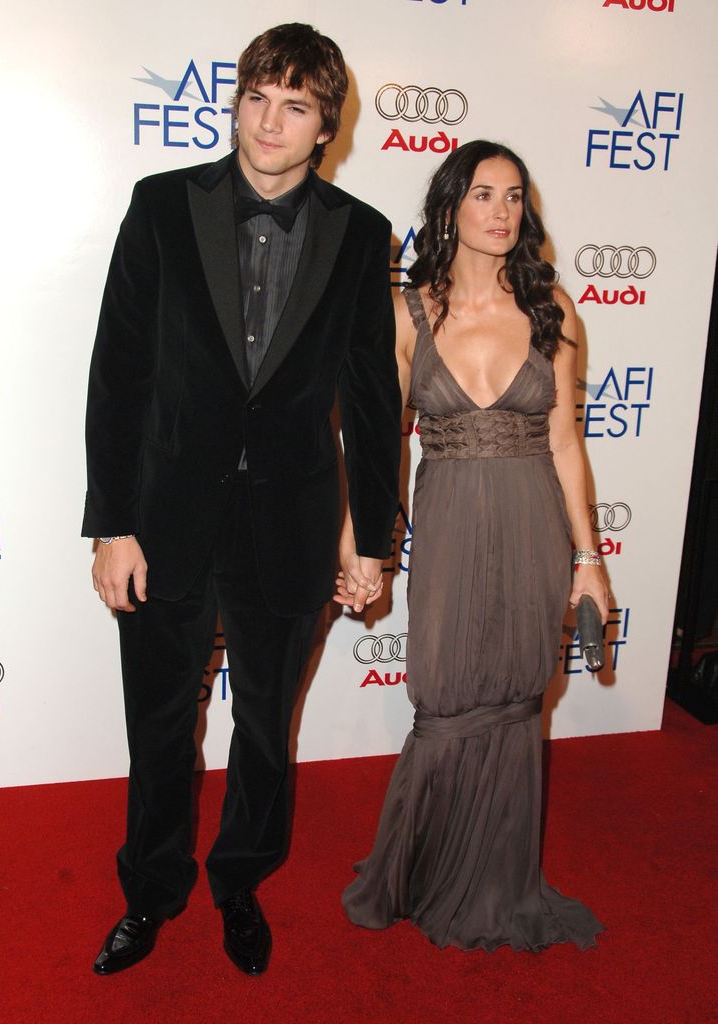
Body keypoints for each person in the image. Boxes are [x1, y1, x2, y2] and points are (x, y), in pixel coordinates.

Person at [83, 23, 401, 976]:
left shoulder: (357, 233)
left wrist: (373, 537)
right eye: (256, 96)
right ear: (236, 102)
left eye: (294, 105)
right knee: (159, 724)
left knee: (266, 725)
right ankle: (149, 892)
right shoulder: (162, 206)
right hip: (166, 515)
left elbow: (375, 403)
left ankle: (238, 882)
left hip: (291, 523)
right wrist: (111, 521)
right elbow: (118, 372)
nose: (269, 121)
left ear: (324, 127)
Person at [339, 140, 607, 952]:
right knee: (447, 694)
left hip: (532, 519)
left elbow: (564, 443)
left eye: (514, 196)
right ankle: (420, 870)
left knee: (519, 695)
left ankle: (498, 882)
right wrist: (361, 548)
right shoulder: (406, 311)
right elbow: (379, 442)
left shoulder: (551, 307)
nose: (500, 212)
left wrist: (589, 561)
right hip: (450, 515)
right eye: (483, 194)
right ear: (449, 206)